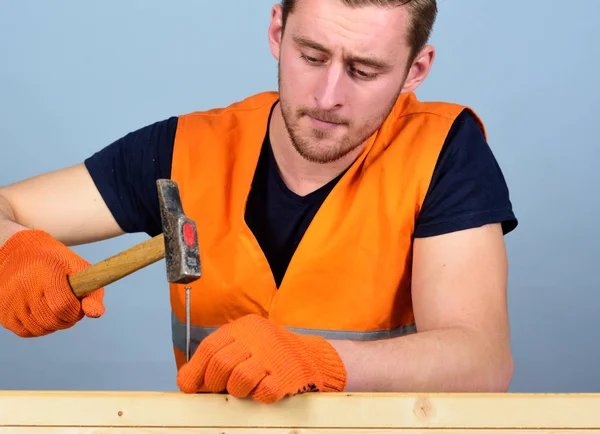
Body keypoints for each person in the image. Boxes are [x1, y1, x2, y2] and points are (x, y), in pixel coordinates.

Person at [0, 0, 518, 404]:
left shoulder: (444, 152)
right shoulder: (184, 150)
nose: (327, 95)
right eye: (311, 56)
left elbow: (482, 360)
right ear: (277, 31)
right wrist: (11, 247)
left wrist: (322, 362)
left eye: (364, 71)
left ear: (415, 69)